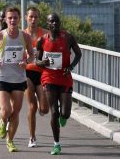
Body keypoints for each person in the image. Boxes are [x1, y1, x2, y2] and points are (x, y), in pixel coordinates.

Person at [0, 6, 34, 152]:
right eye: (10, 17)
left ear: (19, 20)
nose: (12, 20)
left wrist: (26, 62)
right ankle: (2, 121)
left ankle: (10, 141)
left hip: (19, 78)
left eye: (15, 18)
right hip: (2, 77)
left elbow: (31, 55)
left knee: (16, 112)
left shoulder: (25, 37)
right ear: (5, 19)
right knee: (6, 110)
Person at [35, 12, 82, 155]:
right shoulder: (42, 40)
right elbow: (36, 61)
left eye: (57, 21)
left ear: (60, 23)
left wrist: (71, 66)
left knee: (65, 113)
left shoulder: (68, 37)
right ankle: (56, 144)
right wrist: (42, 62)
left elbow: (78, 54)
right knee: (54, 112)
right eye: (51, 21)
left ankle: (64, 117)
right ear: (47, 24)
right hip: (49, 77)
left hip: (64, 77)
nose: (54, 23)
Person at [24, 6, 49, 148]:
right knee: (32, 105)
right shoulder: (21, 35)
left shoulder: (45, 34)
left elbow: (55, 45)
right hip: (26, 73)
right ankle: (32, 137)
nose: (33, 19)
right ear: (26, 17)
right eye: (31, 17)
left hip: (41, 73)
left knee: (44, 109)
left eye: (36, 17)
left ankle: (42, 105)